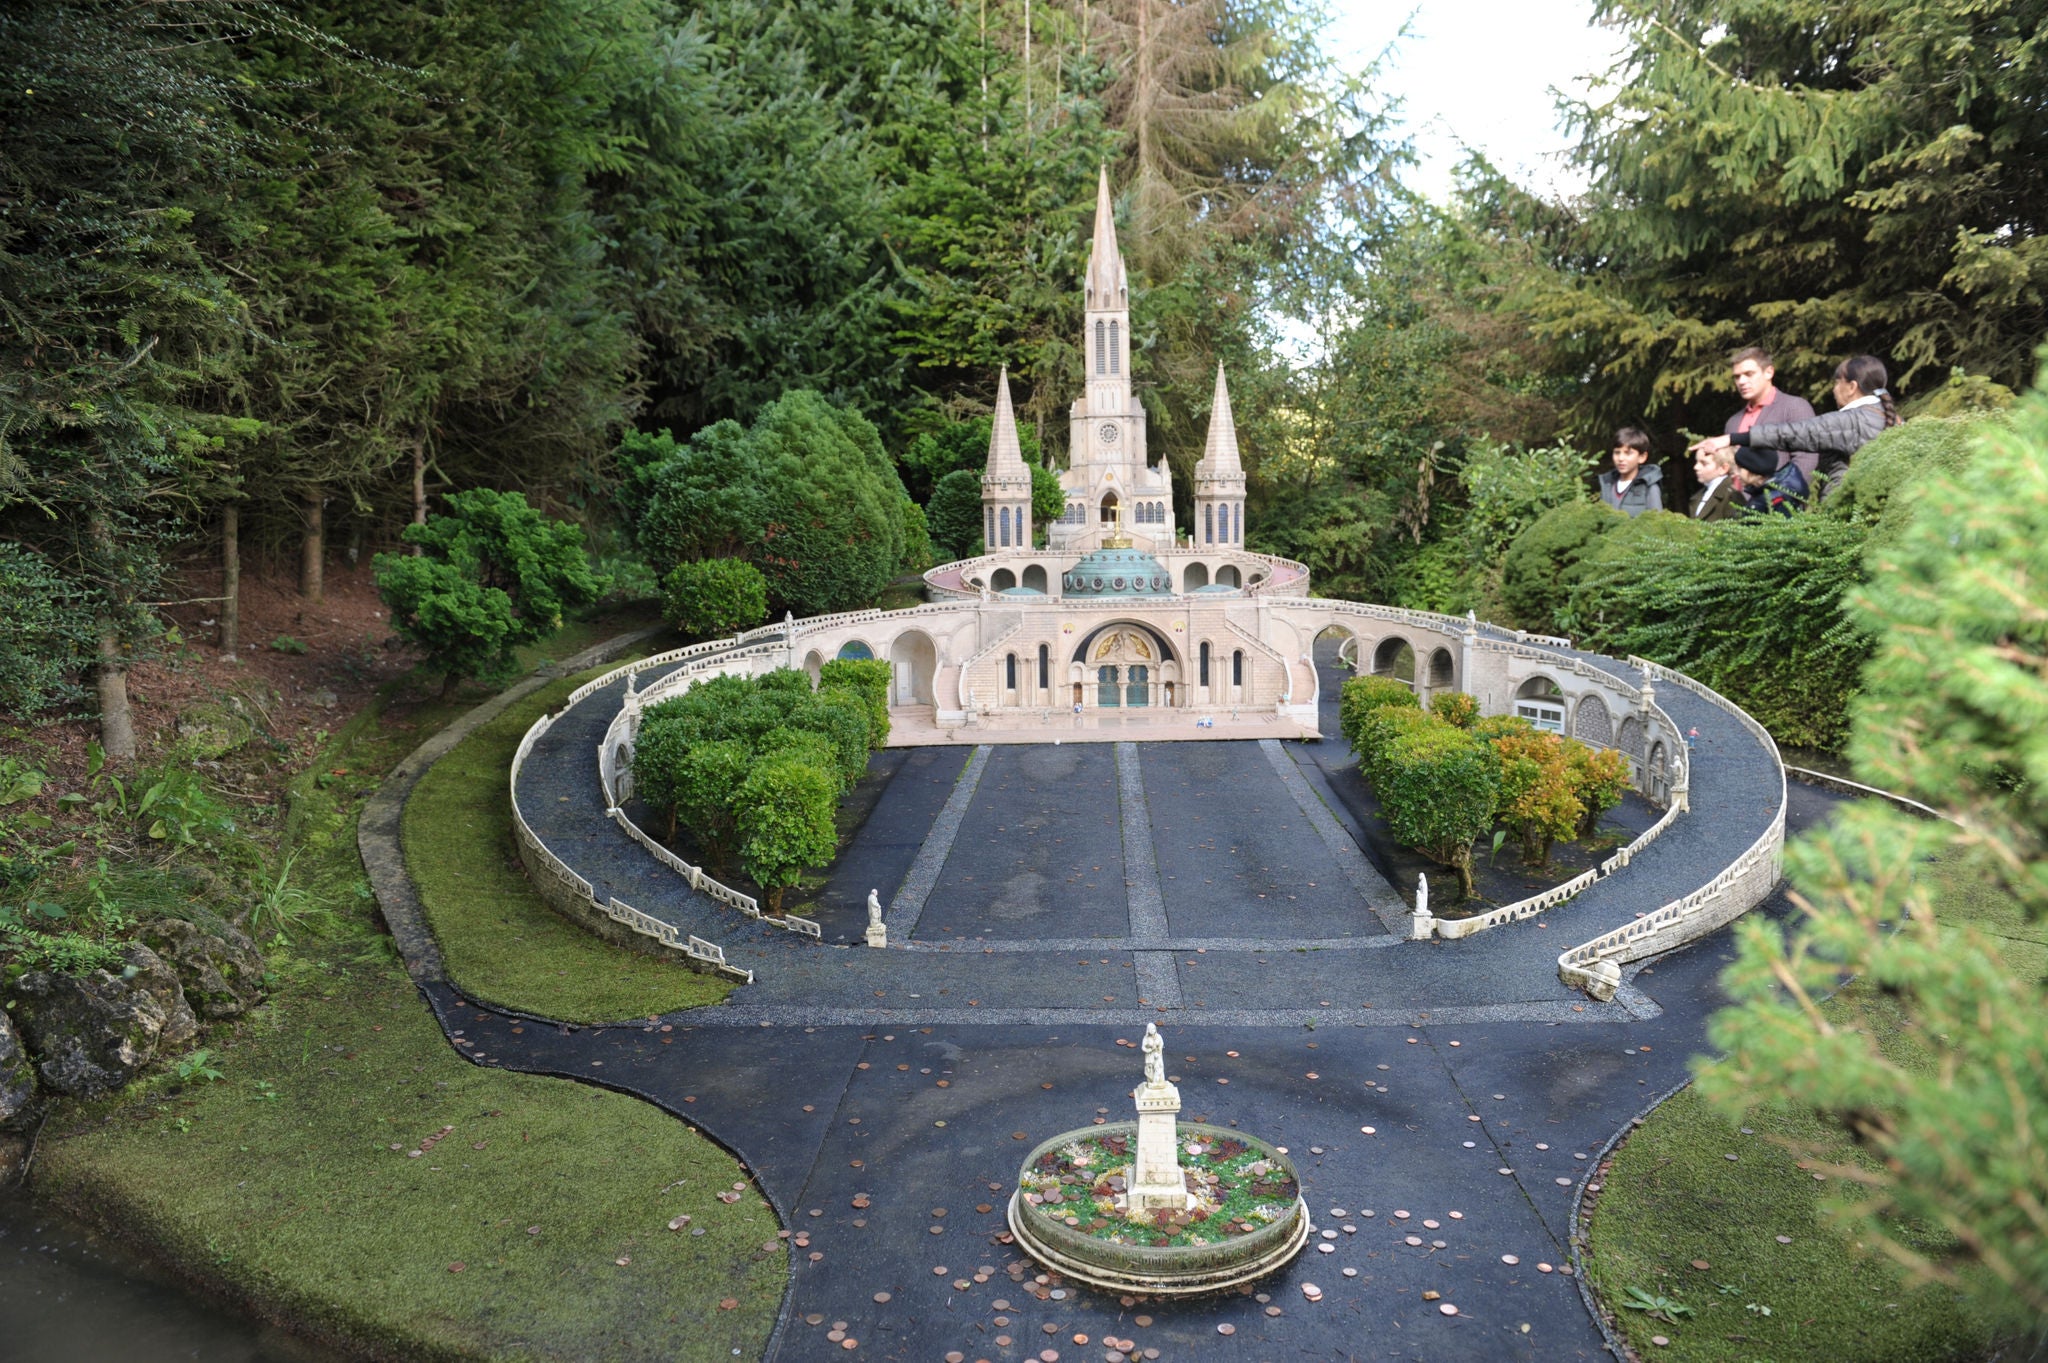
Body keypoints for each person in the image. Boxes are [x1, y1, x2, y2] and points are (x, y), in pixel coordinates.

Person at [1695, 355, 1899, 500]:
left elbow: (1792, 433)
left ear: (1852, 386)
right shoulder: (1893, 419)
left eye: (1837, 383)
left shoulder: (1851, 420)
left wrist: (1731, 439)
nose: (1834, 389)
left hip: (1849, 513)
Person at [1724, 346, 1818, 479]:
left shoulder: (1793, 407)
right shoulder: (1733, 422)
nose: (1742, 381)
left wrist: (1777, 497)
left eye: (1749, 374)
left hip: (1778, 498)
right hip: (1736, 499)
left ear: (1769, 372)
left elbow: (1806, 460)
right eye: (1737, 377)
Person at [1597, 427, 1663, 516]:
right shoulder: (1607, 485)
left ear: (1642, 457)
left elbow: (1657, 523)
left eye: (1628, 453)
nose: (1621, 458)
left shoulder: (1649, 487)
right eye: (1617, 452)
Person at [1731, 446, 1806, 516]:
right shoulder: (1759, 492)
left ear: (1752, 471)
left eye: (1739, 469)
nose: (1735, 473)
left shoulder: (1776, 501)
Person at [1689, 444, 1741, 521]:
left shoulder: (1731, 496)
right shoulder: (1701, 494)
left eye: (1704, 463)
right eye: (1697, 462)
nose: (1696, 467)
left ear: (1723, 468)